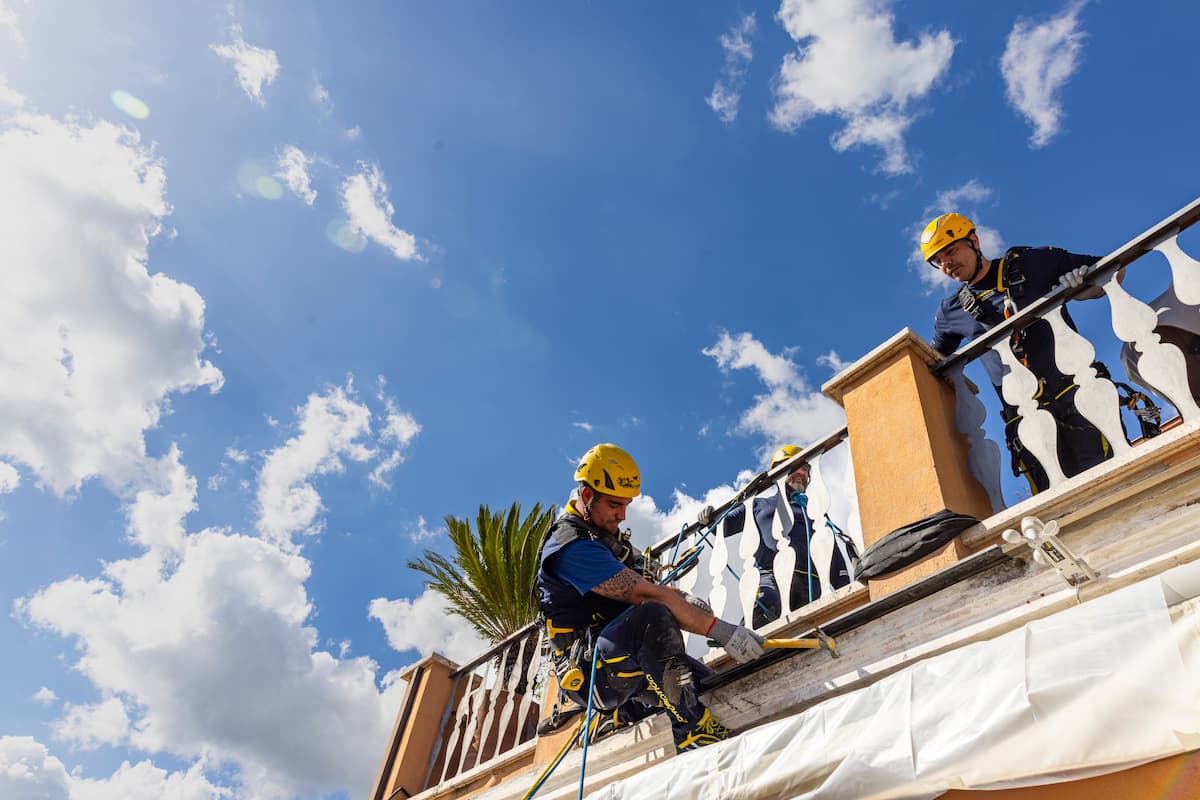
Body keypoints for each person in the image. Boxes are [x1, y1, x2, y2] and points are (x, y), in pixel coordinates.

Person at [536, 443, 765, 753]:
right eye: (615, 504)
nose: (623, 514)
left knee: (707, 683)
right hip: (595, 677)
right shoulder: (572, 548)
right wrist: (722, 631)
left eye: (627, 504)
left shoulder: (605, 539)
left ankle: (631, 711)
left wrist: (682, 597)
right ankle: (691, 732)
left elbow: (644, 584)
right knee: (653, 615)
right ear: (587, 496)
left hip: (623, 658)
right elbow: (646, 595)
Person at [920, 212, 1115, 493]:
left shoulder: (1033, 263)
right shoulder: (951, 311)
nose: (946, 263)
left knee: (1109, 479)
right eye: (937, 261)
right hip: (1025, 416)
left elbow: (1112, 271)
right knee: (1055, 501)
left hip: (1076, 396)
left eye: (950, 250)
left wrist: (1085, 286)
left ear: (974, 241)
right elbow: (932, 363)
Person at [697, 445, 857, 628]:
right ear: (777, 472)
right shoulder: (758, 506)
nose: (800, 473)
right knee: (764, 609)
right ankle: (740, 638)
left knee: (818, 627)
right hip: (772, 578)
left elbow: (833, 555)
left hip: (812, 583)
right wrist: (709, 517)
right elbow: (722, 527)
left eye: (805, 468)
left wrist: (845, 590)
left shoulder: (816, 513)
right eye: (793, 467)